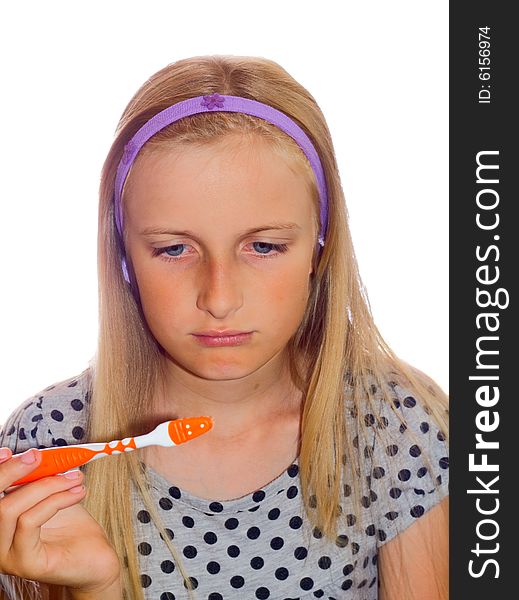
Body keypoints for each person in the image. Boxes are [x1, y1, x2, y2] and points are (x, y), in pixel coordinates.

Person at [0, 55, 449, 600]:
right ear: (123, 256)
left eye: (263, 247)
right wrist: (99, 587)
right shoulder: (48, 443)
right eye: (172, 249)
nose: (218, 298)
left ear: (319, 245)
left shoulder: (394, 424)